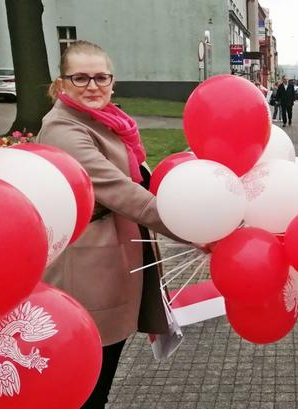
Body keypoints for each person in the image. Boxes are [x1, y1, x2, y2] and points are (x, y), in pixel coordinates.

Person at [37, 40, 188, 408]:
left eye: (101, 77)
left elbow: (140, 178)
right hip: (87, 274)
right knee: (88, 386)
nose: (93, 86)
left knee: (97, 380)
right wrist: (191, 229)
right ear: (61, 84)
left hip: (110, 264)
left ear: (113, 81)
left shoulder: (106, 121)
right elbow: (122, 192)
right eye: (81, 78)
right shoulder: (64, 129)